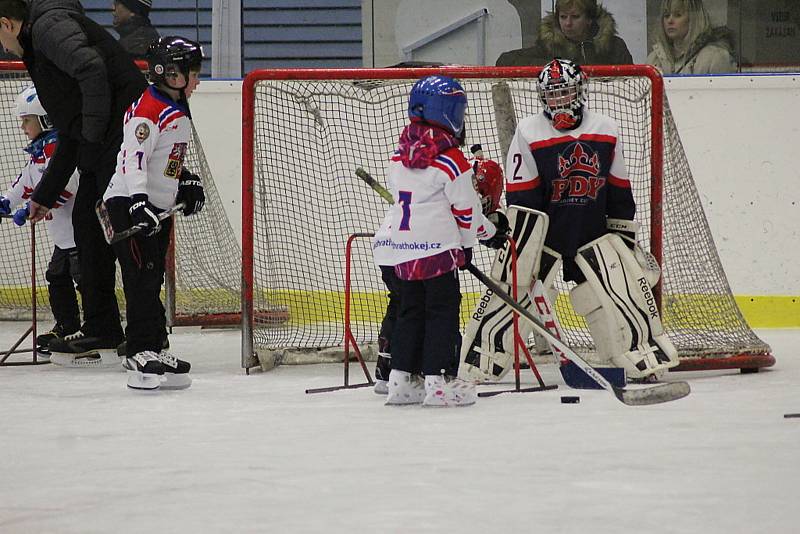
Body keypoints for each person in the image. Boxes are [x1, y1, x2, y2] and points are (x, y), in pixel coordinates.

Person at [503, 58, 678, 382]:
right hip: (546, 241)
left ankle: (635, 358)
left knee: (615, 302)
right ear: (542, 97)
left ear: (580, 90)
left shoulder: (605, 129)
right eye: (552, 94)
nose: (560, 101)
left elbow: (619, 193)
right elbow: (521, 197)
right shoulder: (528, 131)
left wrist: (623, 242)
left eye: (565, 92)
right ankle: (489, 361)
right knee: (512, 298)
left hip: (593, 237)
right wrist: (524, 248)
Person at [0, 0, 149, 366]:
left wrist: (93, 139)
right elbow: (70, 128)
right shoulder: (39, 44)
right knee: (87, 226)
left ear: (8, 24)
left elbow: (92, 69)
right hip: (105, 138)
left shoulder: (49, 29)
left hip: (124, 135)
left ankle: (147, 333)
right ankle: (104, 326)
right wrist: (44, 196)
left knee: (121, 231)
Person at [376, 75, 488, 407]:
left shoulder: (398, 154)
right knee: (441, 312)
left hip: (403, 250)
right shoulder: (453, 159)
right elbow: (466, 209)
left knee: (410, 310)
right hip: (438, 251)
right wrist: (467, 245)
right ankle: (438, 384)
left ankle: (400, 382)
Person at [103, 36, 205, 390]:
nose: (196, 81)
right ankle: (137, 352)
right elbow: (134, 160)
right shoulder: (149, 110)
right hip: (128, 206)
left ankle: (154, 347)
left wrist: (186, 182)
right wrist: (138, 202)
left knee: (152, 278)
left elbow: (167, 162)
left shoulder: (175, 107)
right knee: (140, 279)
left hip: (155, 209)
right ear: (170, 74)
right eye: (192, 74)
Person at [370, 143, 507, 396]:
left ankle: (390, 374)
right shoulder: (456, 175)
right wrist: (491, 235)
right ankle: (436, 375)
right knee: (439, 309)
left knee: (403, 307)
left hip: (392, 248)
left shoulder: (415, 170)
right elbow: (471, 217)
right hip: (427, 251)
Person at [0, 85, 81, 356]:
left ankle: (97, 328)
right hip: (63, 238)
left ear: (45, 119)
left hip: (80, 235)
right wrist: (7, 202)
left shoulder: (61, 149)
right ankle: (67, 326)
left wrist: (33, 207)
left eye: (26, 120)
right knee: (57, 277)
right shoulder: (39, 152)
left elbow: (67, 186)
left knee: (87, 281)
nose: (22, 126)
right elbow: (24, 183)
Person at [496, 0, 632, 67]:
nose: (568, 23)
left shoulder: (615, 46)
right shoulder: (550, 46)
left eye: (575, 17)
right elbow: (504, 60)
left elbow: (632, 83)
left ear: (589, 20)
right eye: (563, 17)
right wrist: (556, 67)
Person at [646, 0, 736, 74]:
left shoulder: (715, 58)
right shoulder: (654, 59)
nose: (670, 20)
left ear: (693, 19)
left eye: (678, 15)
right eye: (666, 15)